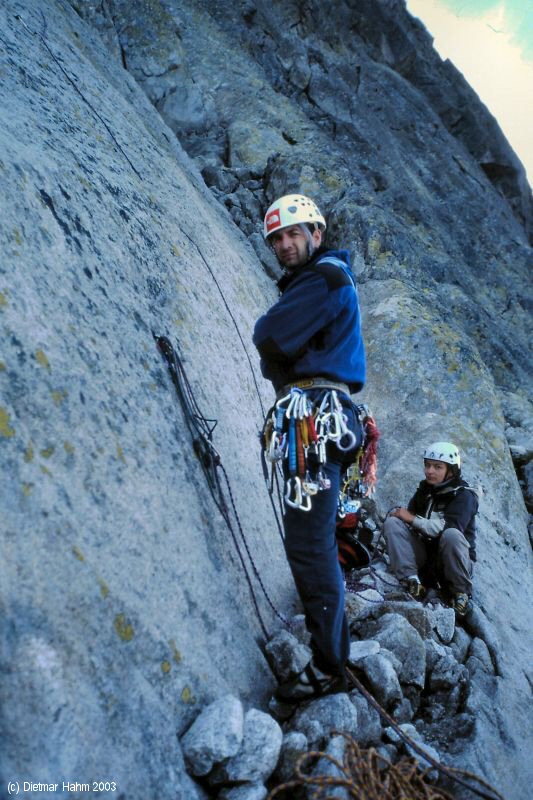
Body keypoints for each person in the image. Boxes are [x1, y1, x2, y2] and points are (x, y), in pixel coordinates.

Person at [252, 193, 366, 702]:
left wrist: (276, 343)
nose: (284, 244)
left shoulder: (324, 277)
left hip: (317, 417)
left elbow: (270, 336)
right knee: (312, 538)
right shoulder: (322, 280)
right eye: (276, 238)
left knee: (309, 542)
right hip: (323, 416)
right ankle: (331, 650)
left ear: (317, 234)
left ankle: (328, 664)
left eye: (294, 233)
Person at [384, 441, 478, 615]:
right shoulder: (425, 491)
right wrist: (403, 520)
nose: (429, 471)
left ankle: (460, 593)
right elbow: (408, 524)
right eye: (427, 465)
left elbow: (448, 528)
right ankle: (412, 580)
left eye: (437, 467)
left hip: (452, 561)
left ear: (451, 471)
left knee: (451, 535)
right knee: (392, 523)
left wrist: (412, 519)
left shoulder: (464, 496)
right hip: (427, 557)